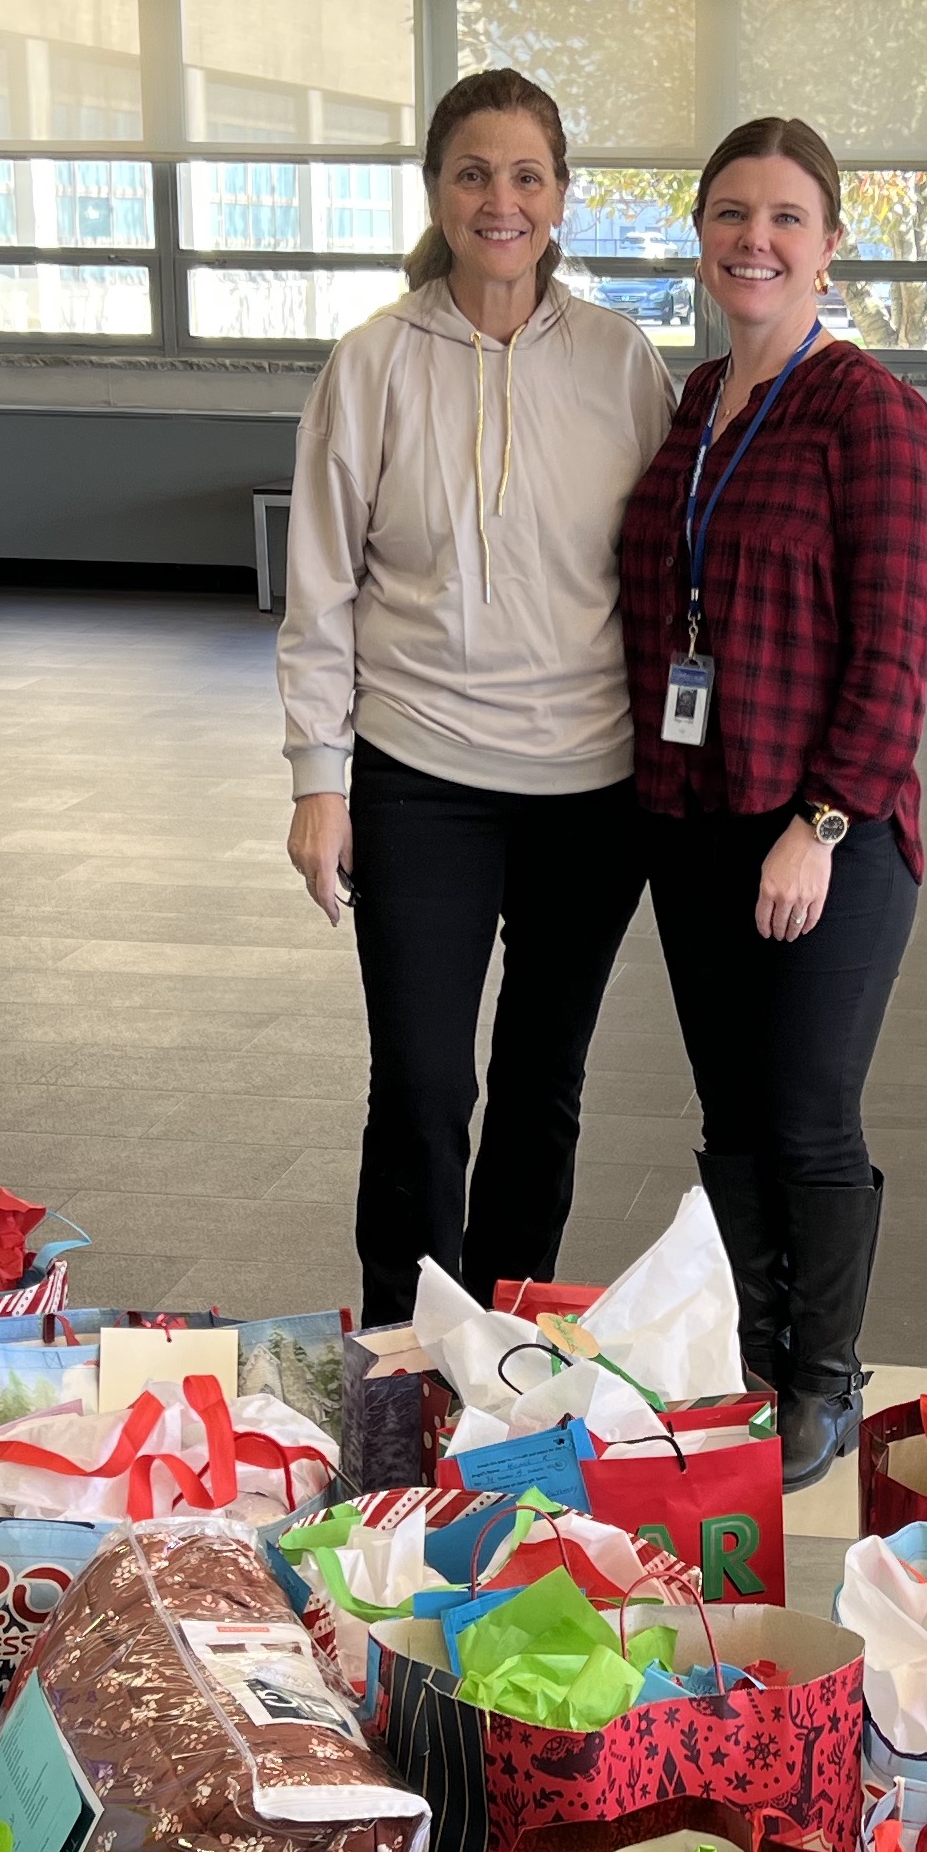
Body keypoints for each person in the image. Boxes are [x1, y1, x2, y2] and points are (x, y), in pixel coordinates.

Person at [281, 70, 680, 1327]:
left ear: (562, 199)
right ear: (437, 194)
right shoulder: (371, 363)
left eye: (526, 177)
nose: (500, 201)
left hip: (590, 791)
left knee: (541, 1085)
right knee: (417, 1084)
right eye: (473, 174)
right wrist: (316, 780)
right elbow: (322, 586)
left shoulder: (624, 364)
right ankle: (405, 1342)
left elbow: (673, 576)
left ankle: (504, 1339)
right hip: (420, 778)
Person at [616, 116, 927, 1485]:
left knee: (808, 1111)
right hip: (693, 816)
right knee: (730, 1114)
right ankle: (754, 1353)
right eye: (731, 214)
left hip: (823, 831)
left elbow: (894, 648)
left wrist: (821, 821)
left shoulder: (868, 411)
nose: (756, 238)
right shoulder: (698, 402)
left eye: (786, 217)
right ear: (702, 237)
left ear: (828, 245)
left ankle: (822, 1373)